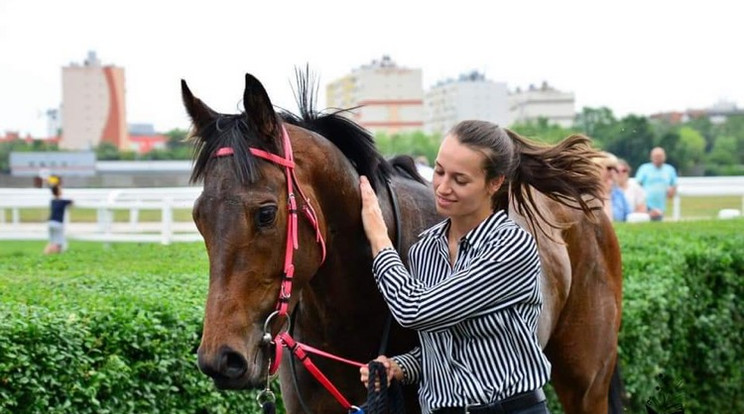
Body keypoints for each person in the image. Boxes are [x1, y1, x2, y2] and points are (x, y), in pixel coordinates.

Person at [358, 120, 606, 414]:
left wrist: (379, 238)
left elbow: (416, 310)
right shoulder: (425, 250)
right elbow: (444, 342)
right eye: (439, 172)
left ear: (494, 183)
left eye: (460, 180)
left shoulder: (511, 247)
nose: (443, 187)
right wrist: (402, 366)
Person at [635, 147, 678, 221]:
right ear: (651, 157)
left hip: (661, 205)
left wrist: (671, 191)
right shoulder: (644, 168)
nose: (657, 158)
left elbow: (674, 184)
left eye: (660, 156)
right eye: (655, 156)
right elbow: (638, 184)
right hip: (646, 204)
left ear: (664, 157)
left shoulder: (670, 169)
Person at [593, 152, 631, 222]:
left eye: (615, 169)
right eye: (609, 168)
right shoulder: (588, 194)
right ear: (597, 168)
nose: (613, 171)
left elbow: (628, 217)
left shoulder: (618, 193)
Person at [44, 182, 73, 254]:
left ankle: (45, 254)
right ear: (59, 191)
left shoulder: (52, 201)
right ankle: (57, 255)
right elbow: (71, 202)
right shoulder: (62, 202)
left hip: (50, 222)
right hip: (58, 223)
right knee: (59, 243)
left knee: (52, 241)